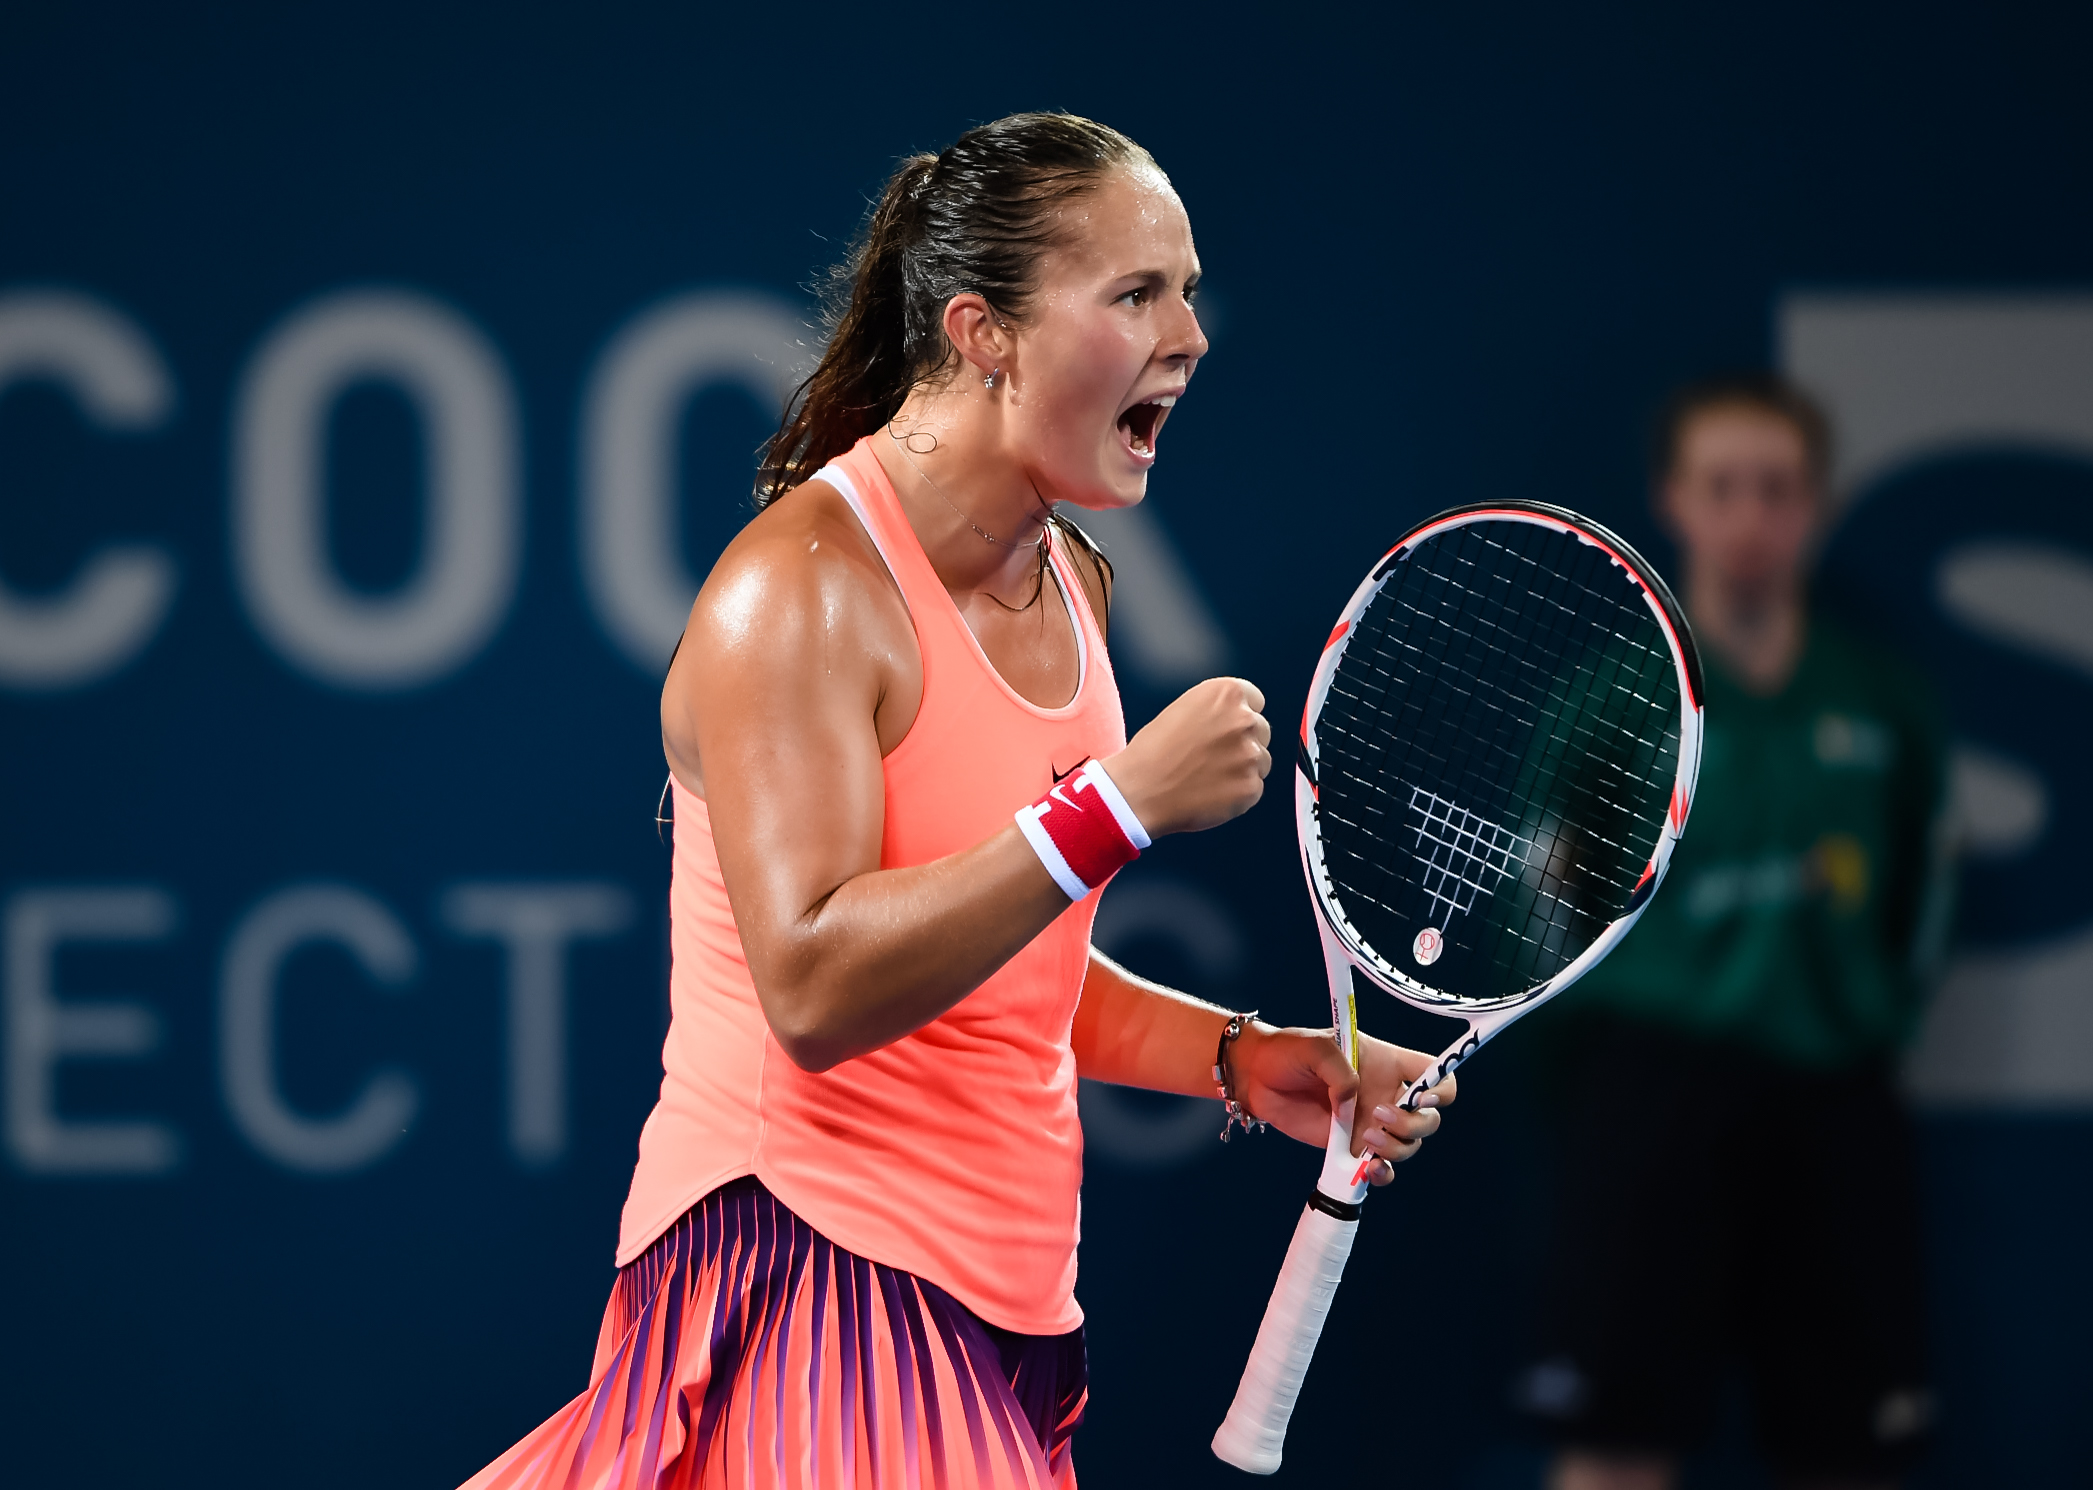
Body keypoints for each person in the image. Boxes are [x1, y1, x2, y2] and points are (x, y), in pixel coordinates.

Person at [460, 113, 1455, 1490]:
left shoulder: (1073, 582)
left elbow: (1012, 968)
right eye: (1135, 293)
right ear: (983, 333)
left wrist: (1235, 1053)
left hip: (999, 1310)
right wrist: (1116, 805)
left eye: (1189, 287)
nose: (1192, 335)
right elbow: (812, 983)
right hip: (809, 1264)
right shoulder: (801, 592)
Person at [1514, 375, 1955, 1490]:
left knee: (1846, 1448)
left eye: (1776, 489)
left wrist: (1865, 1019)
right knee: (1612, 1443)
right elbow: (1540, 906)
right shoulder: (1611, 700)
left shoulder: (1882, 699)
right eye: (1720, 486)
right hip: (1649, 1099)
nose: (1747, 517)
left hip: (1836, 1095)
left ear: (1813, 505)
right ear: (1673, 498)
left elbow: (1920, 903)